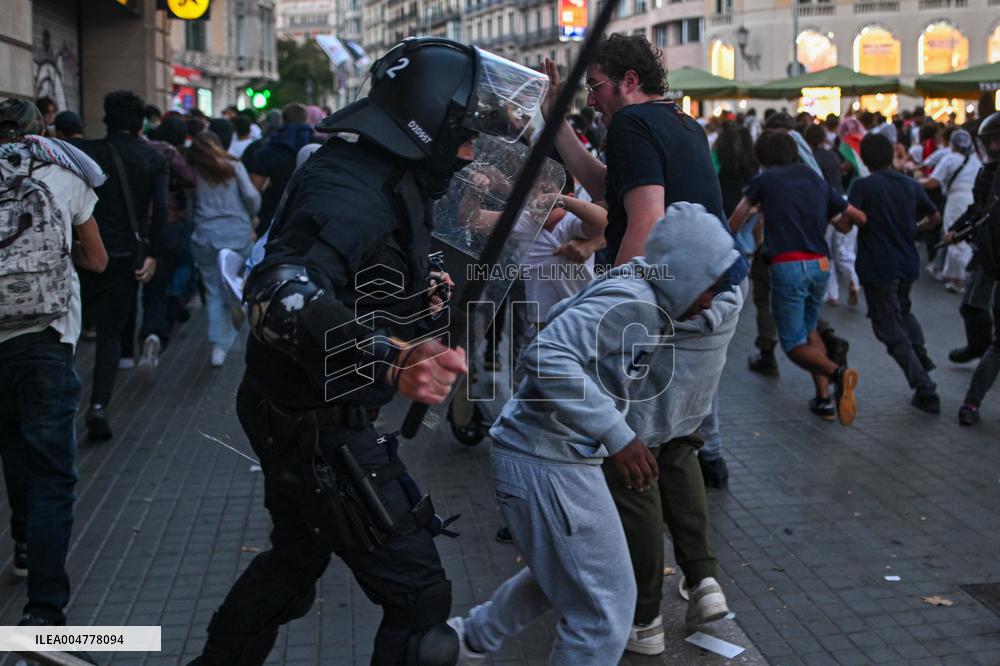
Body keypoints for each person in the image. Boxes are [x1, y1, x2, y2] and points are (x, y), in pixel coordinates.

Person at [188, 37, 546, 665]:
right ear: (428, 122)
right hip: (317, 426)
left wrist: (422, 305)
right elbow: (278, 291)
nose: (469, 152)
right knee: (420, 602)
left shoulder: (385, 172)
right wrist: (388, 357)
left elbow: (378, 273)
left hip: (297, 410)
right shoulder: (348, 187)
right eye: (466, 135)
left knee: (297, 559)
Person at [446, 204, 741, 665]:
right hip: (543, 459)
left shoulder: (647, 295)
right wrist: (618, 435)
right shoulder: (633, 300)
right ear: (684, 272)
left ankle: (462, 643)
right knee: (603, 615)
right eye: (708, 286)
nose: (710, 301)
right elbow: (546, 355)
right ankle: (465, 640)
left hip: (554, 457)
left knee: (569, 574)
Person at [540, 33, 745, 650]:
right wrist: (558, 125)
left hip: (667, 304)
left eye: (597, 88)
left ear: (629, 81)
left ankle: (643, 617)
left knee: (625, 451)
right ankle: (704, 584)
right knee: (679, 439)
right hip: (713, 299)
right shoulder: (678, 124)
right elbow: (609, 187)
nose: (595, 101)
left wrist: (615, 317)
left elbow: (647, 221)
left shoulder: (631, 124)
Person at [0, 99, 108, 631]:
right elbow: (97, 259)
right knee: (51, 472)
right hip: (47, 336)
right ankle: (45, 608)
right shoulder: (63, 173)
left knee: (11, 448)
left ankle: (21, 539)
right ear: (37, 129)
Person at [730, 130, 864, 424]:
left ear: (762, 158)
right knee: (810, 328)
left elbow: (736, 220)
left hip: (788, 266)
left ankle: (839, 375)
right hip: (821, 265)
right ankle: (824, 400)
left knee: (793, 344)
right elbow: (854, 216)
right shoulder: (814, 179)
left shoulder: (766, 179)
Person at [77, 91, 168, 441]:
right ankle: (98, 404)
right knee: (111, 332)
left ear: (106, 119)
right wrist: (153, 254)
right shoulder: (152, 158)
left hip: (85, 251)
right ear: (141, 122)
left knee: (73, 328)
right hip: (126, 254)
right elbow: (159, 211)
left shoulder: (86, 153)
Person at [844, 133, 941, 412]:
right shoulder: (909, 184)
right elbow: (934, 216)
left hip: (878, 266)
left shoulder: (863, 186)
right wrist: (916, 228)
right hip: (907, 262)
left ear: (864, 157)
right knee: (904, 311)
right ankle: (920, 358)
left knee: (888, 327)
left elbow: (846, 223)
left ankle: (924, 385)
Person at [119, 115, 197, 381]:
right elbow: (190, 179)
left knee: (138, 288)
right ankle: (153, 334)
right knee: (158, 285)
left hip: (134, 228)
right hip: (168, 225)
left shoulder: (136, 150)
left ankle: (128, 350)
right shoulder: (168, 152)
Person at [187, 131, 260, 367]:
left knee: (213, 290)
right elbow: (251, 196)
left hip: (206, 236)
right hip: (237, 232)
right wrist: (251, 217)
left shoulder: (192, 170)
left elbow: (189, 206)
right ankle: (244, 317)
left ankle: (220, 346)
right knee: (241, 282)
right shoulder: (233, 165)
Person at [945, 112, 1000, 424]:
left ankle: (972, 402)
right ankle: (977, 348)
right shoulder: (984, 174)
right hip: (990, 258)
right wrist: (958, 228)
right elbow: (979, 210)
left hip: (992, 257)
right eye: (989, 140)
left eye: (997, 139)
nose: (993, 145)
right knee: (972, 308)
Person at [805, 124, 860, 307]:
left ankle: (832, 294)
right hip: (843, 199)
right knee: (844, 250)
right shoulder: (833, 155)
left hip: (824, 204)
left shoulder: (810, 158)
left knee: (826, 250)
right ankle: (853, 281)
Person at [923, 129, 981, 291]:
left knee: (953, 235)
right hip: (971, 199)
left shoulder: (949, 158)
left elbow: (933, 182)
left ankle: (958, 278)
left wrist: (916, 182)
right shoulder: (975, 161)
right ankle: (963, 275)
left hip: (955, 200)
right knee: (966, 235)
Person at [248, 103, 312, 235]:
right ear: (306, 120)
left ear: (282, 120)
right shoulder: (318, 145)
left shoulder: (268, 150)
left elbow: (254, 189)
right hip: (308, 216)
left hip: (272, 216)